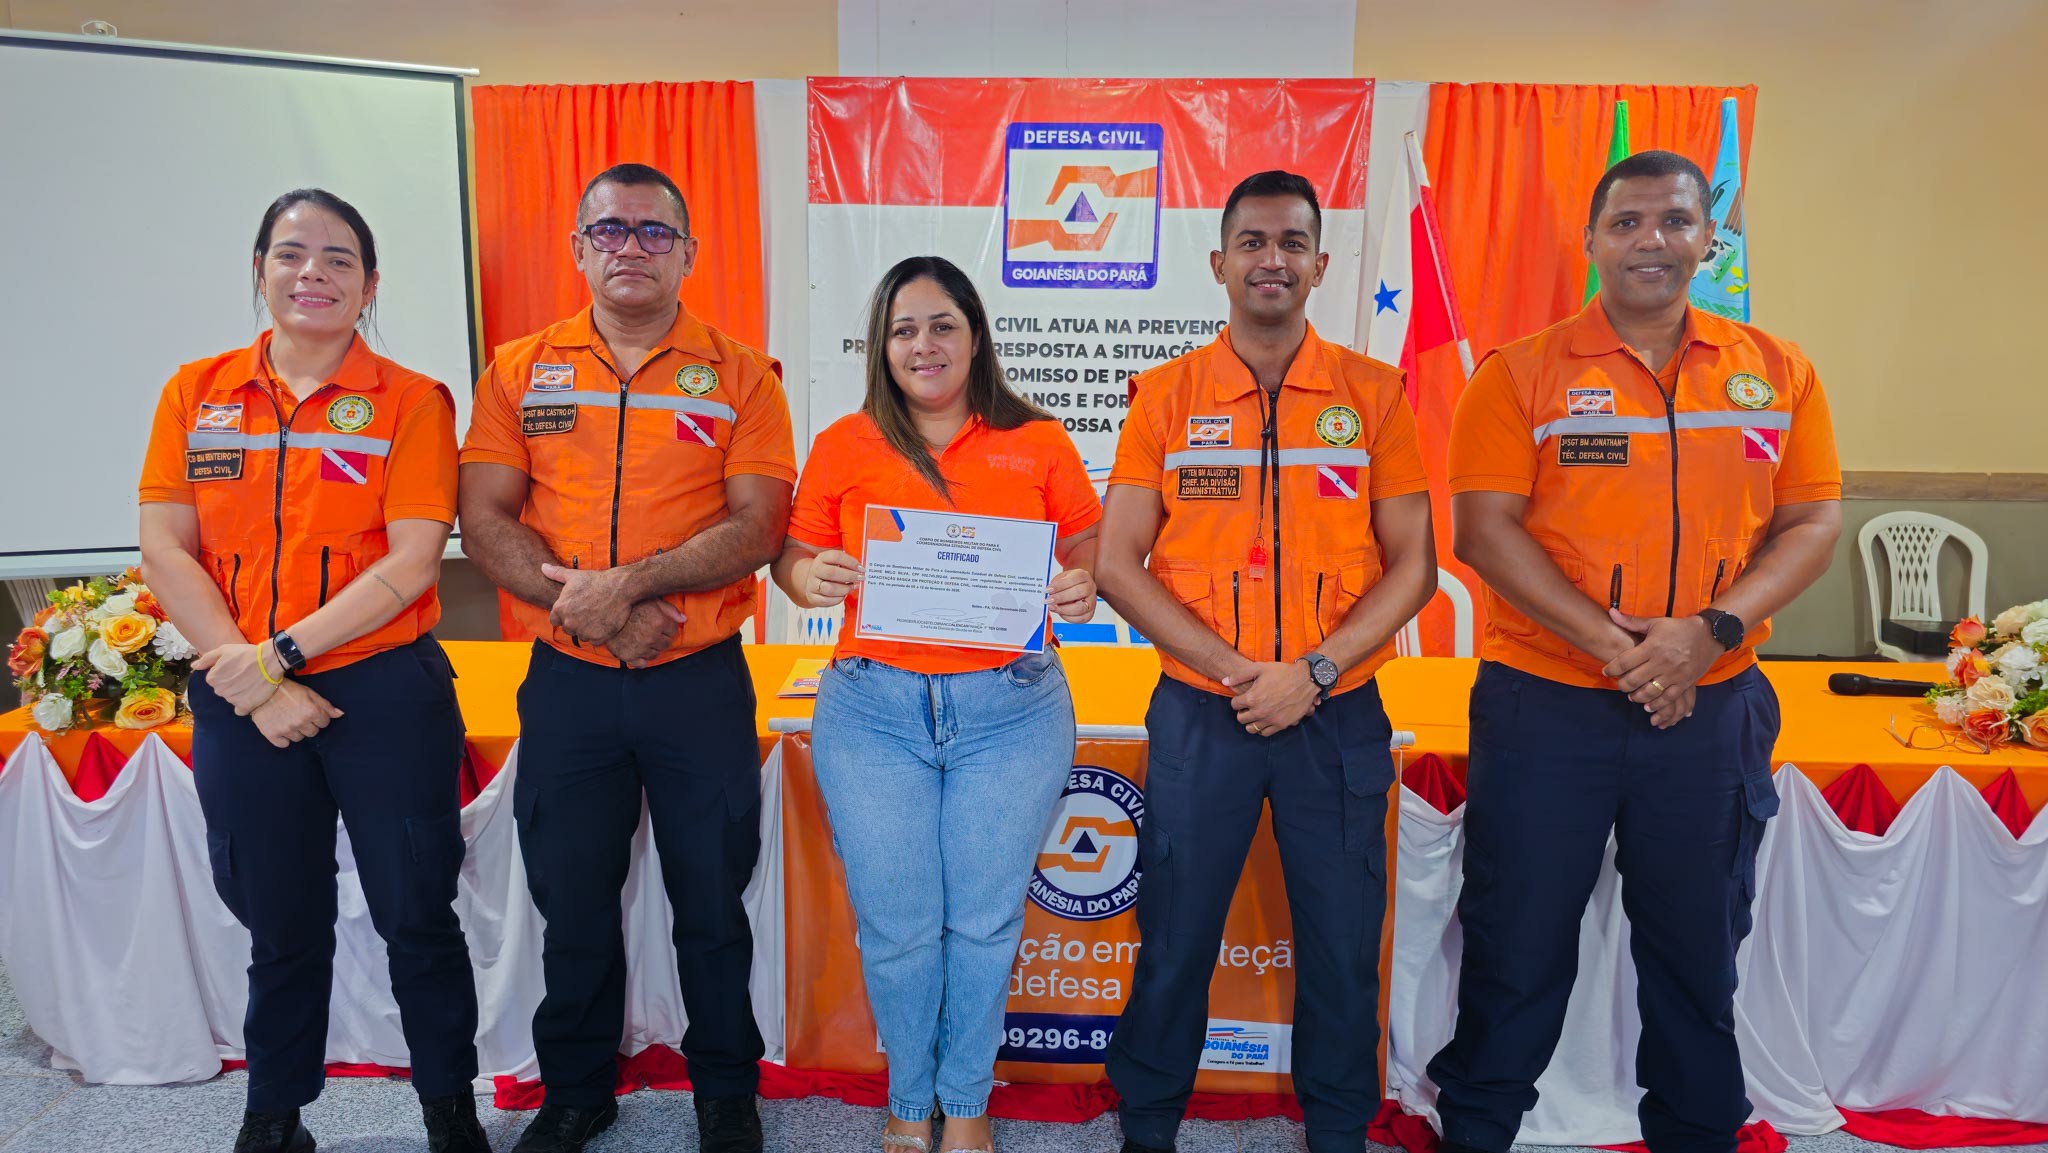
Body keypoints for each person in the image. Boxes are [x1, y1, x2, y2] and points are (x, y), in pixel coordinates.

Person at [1424, 149, 1842, 1153]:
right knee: (1515, 945)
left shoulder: (1777, 370)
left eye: (1674, 220)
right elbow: (1483, 532)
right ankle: (1476, 1131)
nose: (1650, 240)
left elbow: (1811, 523)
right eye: (1626, 222)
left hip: (1712, 707)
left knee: (1697, 950)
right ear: (1591, 242)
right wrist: (1629, 653)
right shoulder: (1518, 372)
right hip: (1545, 708)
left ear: (1709, 238)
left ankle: (1695, 1133)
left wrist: (1707, 634)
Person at [137, 189, 486, 1153]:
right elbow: (166, 548)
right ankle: (274, 1115)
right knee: (279, 921)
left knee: (417, 913)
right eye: (292, 254)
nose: (313, 274)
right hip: (240, 693)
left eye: (340, 259)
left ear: (370, 285)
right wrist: (249, 678)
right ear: (260, 270)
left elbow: (412, 561)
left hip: (382, 691)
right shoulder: (196, 392)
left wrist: (277, 657)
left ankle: (450, 1111)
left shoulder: (412, 399)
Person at [1096, 171, 1439, 1153]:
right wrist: (1240, 674)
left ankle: (1336, 1129)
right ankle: (1148, 1124)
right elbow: (1117, 563)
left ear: (1320, 264)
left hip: (1336, 712)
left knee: (1341, 940)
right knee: (1173, 935)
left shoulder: (1373, 397)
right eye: (1251, 242)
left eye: (1292, 242)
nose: (1271, 259)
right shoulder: (1164, 397)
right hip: (1203, 712)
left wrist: (1313, 673)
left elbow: (1414, 566)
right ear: (1219, 262)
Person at [459, 163, 793, 1153]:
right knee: (572, 897)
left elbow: (759, 525)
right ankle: (576, 1090)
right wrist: (598, 615)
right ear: (578, 248)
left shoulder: (743, 374)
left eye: (654, 232)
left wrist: (629, 587)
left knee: (711, 898)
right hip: (569, 681)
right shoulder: (518, 370)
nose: (631, 247)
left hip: (699, 682)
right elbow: (485, 520)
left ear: (688, 253)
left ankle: (725, 1090)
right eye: (610, 230)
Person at [771, 255, 1102, 1153]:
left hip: (1012, 711)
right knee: (899, 925)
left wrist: (1082, 583)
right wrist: (808, 576)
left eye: (942, 325)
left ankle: (967, 1100)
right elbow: (792, 557)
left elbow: (1091, 544)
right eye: (904, 329)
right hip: (873, 712)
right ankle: (910, 1099)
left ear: (976, 336)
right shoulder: (844, 442)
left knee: (985, 921)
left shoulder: (1039, 439)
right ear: (881, 346)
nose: (924, 345)